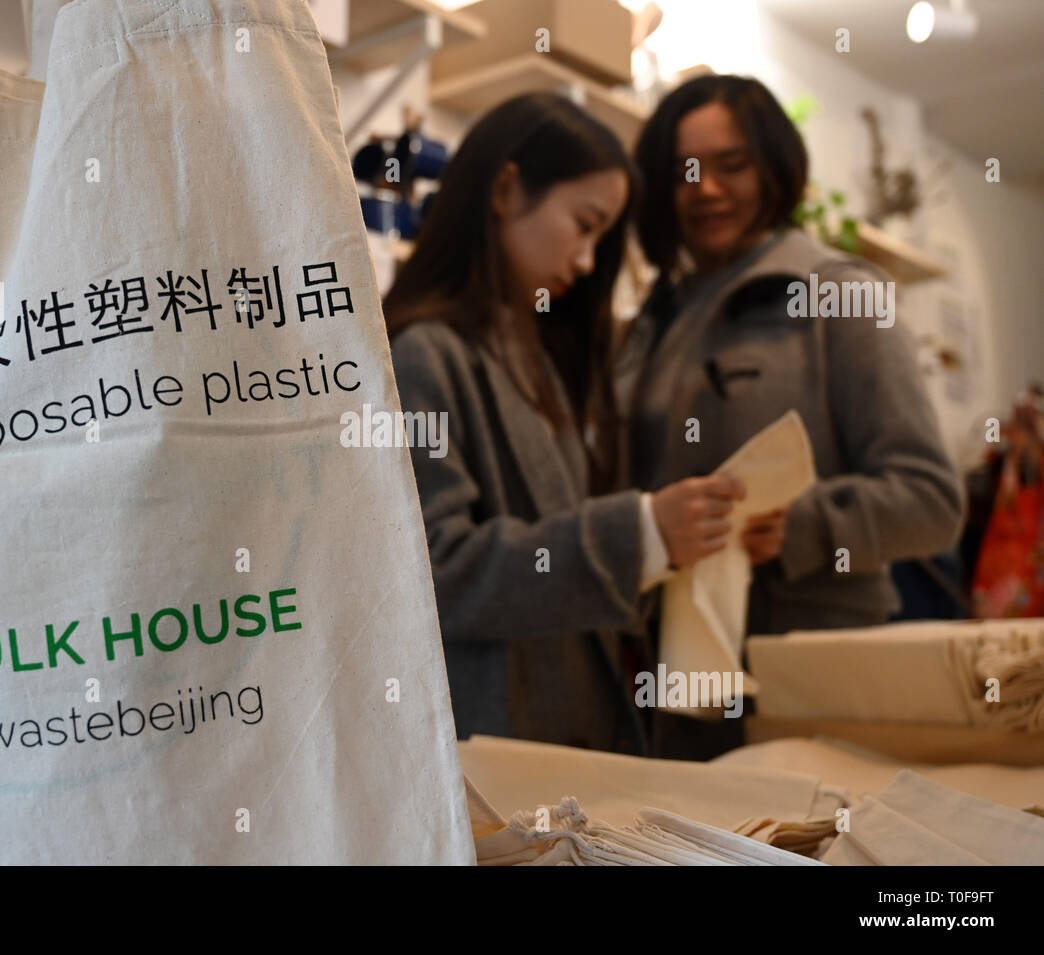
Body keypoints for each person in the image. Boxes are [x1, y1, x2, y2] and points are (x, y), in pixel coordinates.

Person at [385, 93, 745, 753]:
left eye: (600, 238)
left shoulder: (536, 353)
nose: (585, 262)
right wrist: (639, 531)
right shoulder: (422, 354)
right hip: (493, 746)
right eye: (584, 225)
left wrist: (675, 541)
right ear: (505, 187)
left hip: (563, 730)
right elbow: (436, 569)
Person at [625, 74, 965, 755]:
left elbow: (933, 499)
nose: (707, 189)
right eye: (686, 170)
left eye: (733, 165)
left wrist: (803, 524)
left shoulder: (842, 295)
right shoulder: (650, 322)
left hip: (809, 679)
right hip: (674, 681)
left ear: (775, 168)